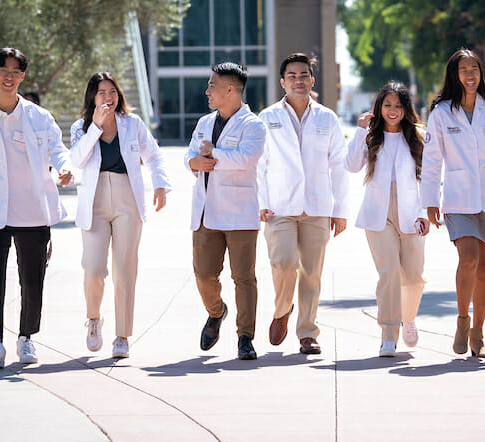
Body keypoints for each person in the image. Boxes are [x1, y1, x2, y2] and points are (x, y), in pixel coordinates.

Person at [0, 47, 73, 369]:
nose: (9, 77)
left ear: (22, 76)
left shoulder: (39, 117)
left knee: (33, 278)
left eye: (16, 72)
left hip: (32, 209)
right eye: (3, 71)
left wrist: (65, 169)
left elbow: (57, 149)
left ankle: (26, 337)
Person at [421, 48, 485, 359]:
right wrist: (429, 200)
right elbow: (432, 160)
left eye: (474, 69)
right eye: (463, 70)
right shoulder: (441, 114)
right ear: (454, 75)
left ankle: (479, 331)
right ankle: (462, 321)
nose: (469, 75)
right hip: (458, 199)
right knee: (468, 259)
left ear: (481, 74)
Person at [69, 72, 171, 360]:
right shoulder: (81, 127)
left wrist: (161, 183)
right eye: (101, 92)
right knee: (93, 269)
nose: (108, 97)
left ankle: (122, 336)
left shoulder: (133, 124)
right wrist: (96, 128)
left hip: (128, 198)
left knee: (125, 271)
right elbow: (77, 160)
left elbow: (153, 155)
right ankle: (93, 319)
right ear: (92, 97)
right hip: (96, 200)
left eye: (112, 91)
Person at [257, 53, 350, 355]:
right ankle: (282, 309)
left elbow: (339, 165)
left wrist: (340, 210)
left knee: (311, 272)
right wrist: (260, 202)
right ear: (283, 82)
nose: (299, 80)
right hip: (278, 207)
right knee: (283, 264)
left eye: (304, 75)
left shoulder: (327, 118)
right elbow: (258, 164)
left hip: (317, 207)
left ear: (312, 80)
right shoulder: (267, 118)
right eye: (292, 76)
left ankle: (307, 332)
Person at [185, 62, 267, 360]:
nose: (207, 91)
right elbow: (191, 155)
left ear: (229, 89)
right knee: (204, 275)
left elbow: (247, 158)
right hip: (206, 212)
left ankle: (245, 337)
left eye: (212, 85)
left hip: (240, 212)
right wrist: (194, 163)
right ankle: (216, 312)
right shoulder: (204, 122)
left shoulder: (253, 125)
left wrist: (213, 154)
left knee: (243, 278)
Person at [345, 82, 429, 357]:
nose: (393, 110)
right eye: (387, 105)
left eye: (398, 105)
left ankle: (409, 318)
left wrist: (427, 211)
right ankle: (388, 335)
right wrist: (360, 131)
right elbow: (352, 165)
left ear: (406, 109)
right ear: (379, 107)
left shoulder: (418, 136)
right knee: (389, 273)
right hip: (377, 214)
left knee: (414, 278)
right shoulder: (371, 135)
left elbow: (431, 176)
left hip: (411, 212)